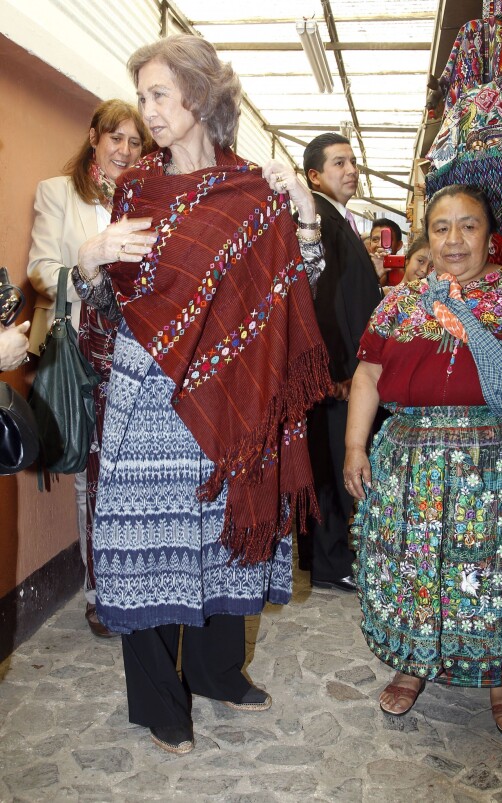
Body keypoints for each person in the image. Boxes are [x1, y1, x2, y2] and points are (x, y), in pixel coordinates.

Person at [72, 34, 330, 755]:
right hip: (146, 394)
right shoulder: (136, 190)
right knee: (147, 538)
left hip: (227, 392)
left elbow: (294, 287)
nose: (149, 112)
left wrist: (305, 215)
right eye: (144, 95)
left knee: (221, 529)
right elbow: (108, 306)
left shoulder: (251, 191)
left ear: (199, 94)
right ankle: (160, 699)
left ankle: (217, 671)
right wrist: (87, 262)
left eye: (160, 94)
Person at [344, 184, 502, 735]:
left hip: (496, 461)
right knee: (413, 567)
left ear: (489, 234)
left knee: (494, 573)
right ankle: (410, 665)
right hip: (409, 460)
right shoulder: (401, 302)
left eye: (468, 225)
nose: (454, 239)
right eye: (442, 227)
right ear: (428, 235)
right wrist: (356, 446)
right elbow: (368, 375)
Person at [27, 99, 151, 637]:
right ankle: (100, 592)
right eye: (115, 138)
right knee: (89, 479)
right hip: (80, 352)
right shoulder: (59, 192)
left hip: (135, 353)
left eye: (135, 142)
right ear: (94, 137)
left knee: (130, 474)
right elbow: (38, 272)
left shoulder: (147, 200)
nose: (124, 150)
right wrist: (87, 264)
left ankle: (135, 580)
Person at [299, 133, 383, 592]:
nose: (351, 170)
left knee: (334, 459)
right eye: (338, 163)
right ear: (314, 176)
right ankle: (331, 563)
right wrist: (338, 371)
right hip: (337, 373)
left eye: (353, 161)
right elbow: (322, 303)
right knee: (330, 462)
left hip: (348, 368)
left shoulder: (337, 218)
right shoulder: (320, 222)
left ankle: (332, 557)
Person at [368, 218, 404, 288]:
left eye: (386, 240)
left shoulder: (406, 274)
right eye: (375, 240)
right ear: (370, 245)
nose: (380, 245)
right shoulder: (360, 270)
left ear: (398, 245)